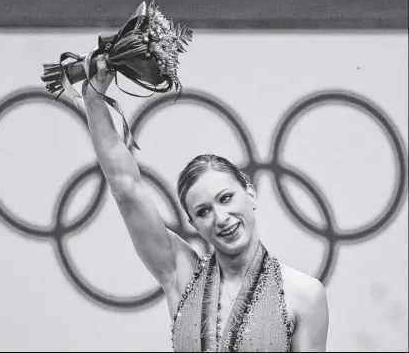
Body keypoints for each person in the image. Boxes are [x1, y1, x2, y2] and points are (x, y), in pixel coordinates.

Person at [81, 54, 329, 352]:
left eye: (226, 198)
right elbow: (126, 190)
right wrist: (94, 100)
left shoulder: (304, 294)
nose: (221, 217)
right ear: (194, 224)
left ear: (250, 194)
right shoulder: (179, 273)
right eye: (203, 212)